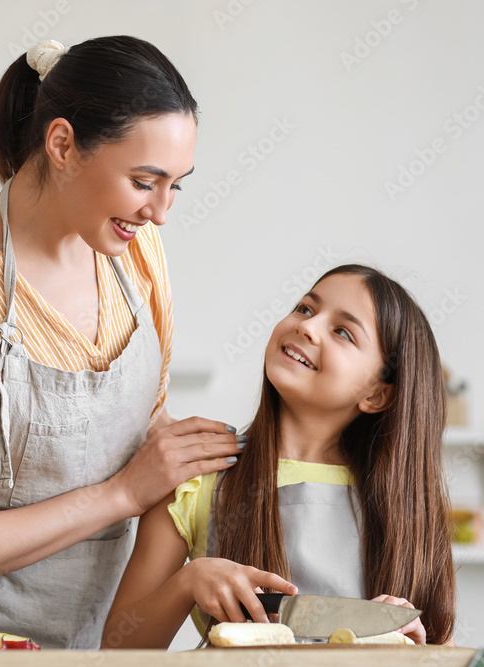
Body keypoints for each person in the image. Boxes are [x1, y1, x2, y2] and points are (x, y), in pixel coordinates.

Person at [0, 36, 244, 649]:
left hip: (89, 645)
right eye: (144, 181)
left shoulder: (133, 253)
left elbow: (136, 430)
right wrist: (121, 494)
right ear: (63, 144)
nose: (161, 212)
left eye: (177, 185)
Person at [102, 264, 457, 648]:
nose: (308, 326)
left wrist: (416, 652)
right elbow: (118, 649)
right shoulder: (196, 478)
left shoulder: (409, 507)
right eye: (306, 308)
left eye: (342, 331)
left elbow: (444, 649)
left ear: (377, 394)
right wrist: (189, 581)